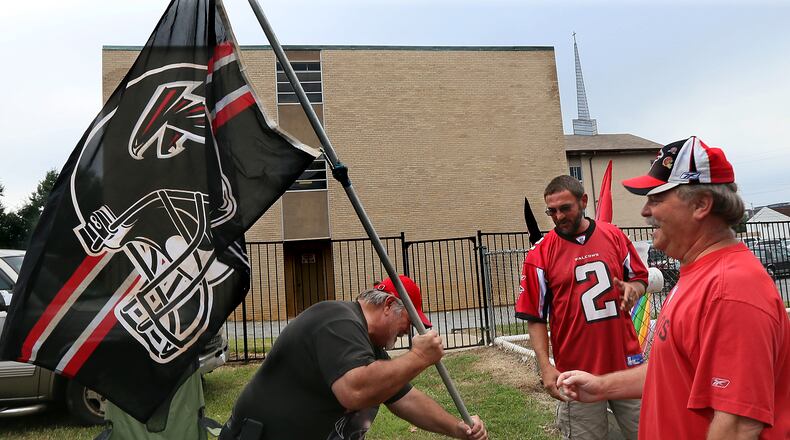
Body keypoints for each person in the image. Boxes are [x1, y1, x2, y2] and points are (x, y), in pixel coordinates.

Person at [557, 136, 790, 439]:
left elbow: (738, 427)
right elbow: (677, 370)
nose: (644, 211)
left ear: (701, 205)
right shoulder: (698, 273)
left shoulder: (730, 289)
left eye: (655, 199)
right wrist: (602, 386)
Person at [219, 275, 487, 440]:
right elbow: (355, 390)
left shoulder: (367, 347)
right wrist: (418, 356)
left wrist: (458, 429)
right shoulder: (337, 321)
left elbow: (405, 399)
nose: (408, 331)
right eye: (409, 320)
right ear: (389, 305)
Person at [515, 175, 649, 440]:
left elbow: (640, 278)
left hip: (627, 364)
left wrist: (634, 289)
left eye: (565, 208)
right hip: (576, 371)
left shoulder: (614, 236)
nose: (558, 216)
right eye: (551, 211)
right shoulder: (539, 255)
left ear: (583, 201)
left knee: (649, 433)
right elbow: (535, 317)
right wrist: (545, 366)